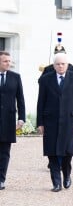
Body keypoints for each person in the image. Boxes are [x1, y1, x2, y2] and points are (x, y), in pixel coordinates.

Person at [37, 53, 73, 192]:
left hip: (69, 121)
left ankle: (67, 175)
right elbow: (41, 102)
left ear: (67, 65)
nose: (60, 66)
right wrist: (40, 122)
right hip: (50, 121)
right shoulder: (45, 79)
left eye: (63, 64)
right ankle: (56, 183)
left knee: (67, 153)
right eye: (58, 64)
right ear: (53, 66)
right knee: (52, 152)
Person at [0, 51, 26, 190]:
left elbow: (20, 99)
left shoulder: (16, 77)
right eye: (5, 61)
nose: (8, 63)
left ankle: (1, 179)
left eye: (9, 61)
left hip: (8, 121)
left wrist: (22, 118)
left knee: (4, 152)